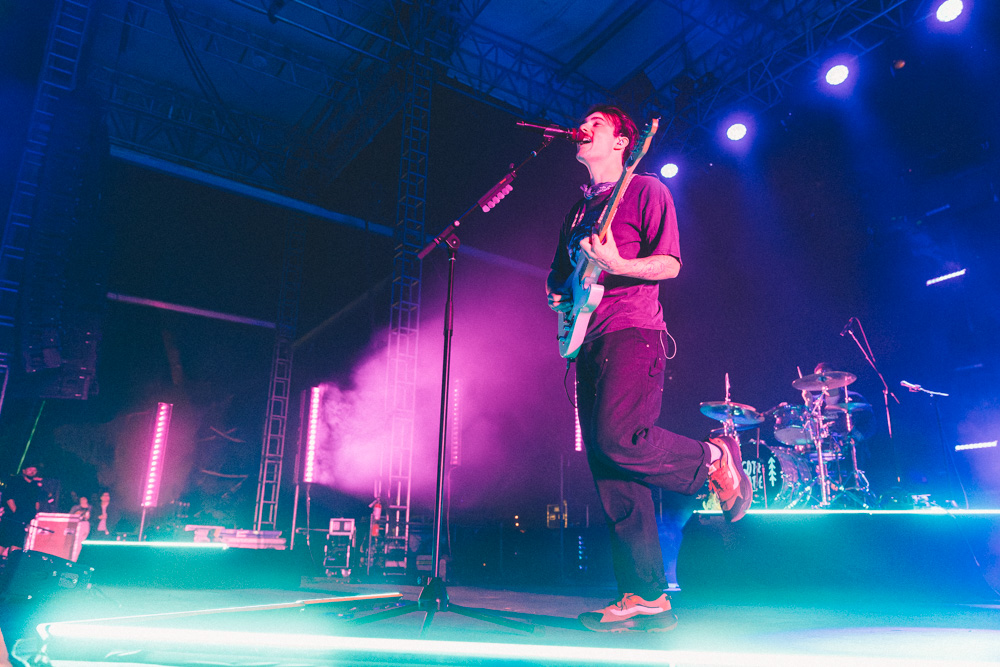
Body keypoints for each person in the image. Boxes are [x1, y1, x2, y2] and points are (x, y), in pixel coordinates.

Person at [546, 105, 752, 632]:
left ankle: (712, 458)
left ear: (622, 141)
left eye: (597, 122)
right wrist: (563, 302)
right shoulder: (578, 208)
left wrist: (618, 266)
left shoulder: (646, 189)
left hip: (634, 330)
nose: (584, 127)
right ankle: (645, 594)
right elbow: (557, 280)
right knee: (609, 467)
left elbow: (669, 263)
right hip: (587, 338)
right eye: (583, 121)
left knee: (620, 439)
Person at [0, 465, 43, 558]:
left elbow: (36, 501)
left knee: (17, 544)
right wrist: (16, 512)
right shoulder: (15, 481)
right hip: (12, 518)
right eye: (30, 469)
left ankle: (11, 567)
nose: (32, 471)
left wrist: (34, 514)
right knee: (3, 541)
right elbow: (9, 498)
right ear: (24, 471)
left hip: (26, 519)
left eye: (35, 470)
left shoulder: (35, 486)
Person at [69, 495, 91, 560]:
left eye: (84, 498)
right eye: (82, 499)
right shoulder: (75, 507)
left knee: (84, 541)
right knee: (77, 543)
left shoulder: (91, 507)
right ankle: (74, 558)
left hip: (87, 525)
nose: (83, 500)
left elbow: (94, 517)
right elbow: (70, 516)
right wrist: (76, 514)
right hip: (78, 524)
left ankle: (83, 557)